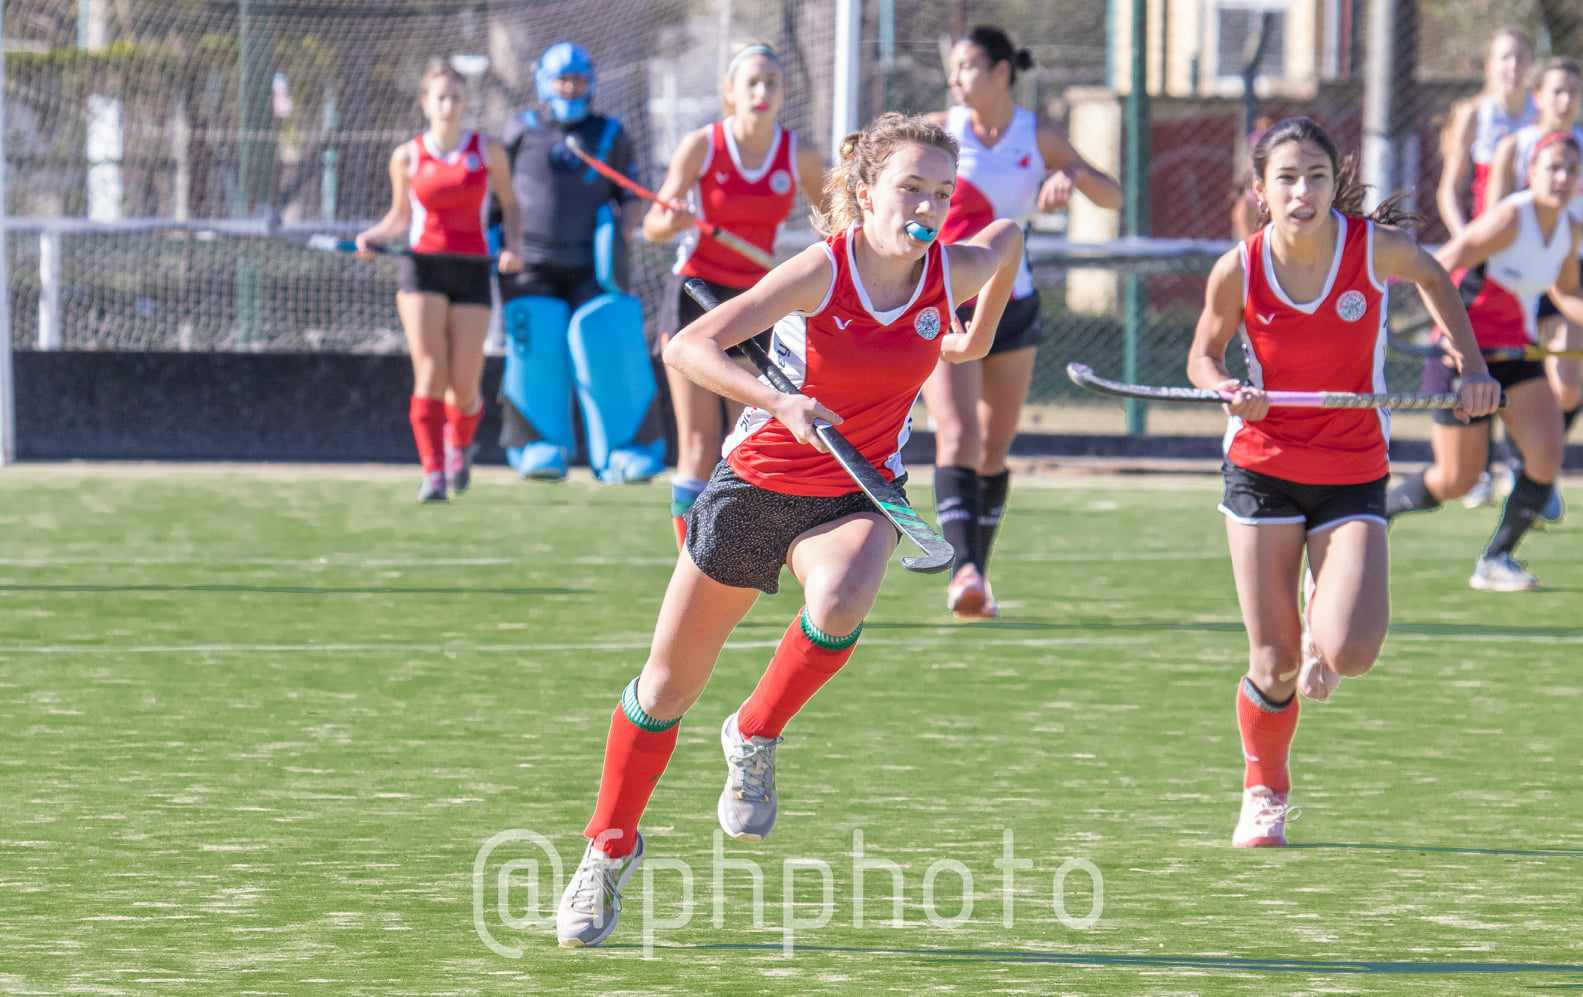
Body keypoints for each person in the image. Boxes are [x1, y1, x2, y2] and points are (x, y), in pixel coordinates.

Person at [553, 112, 1025, 948]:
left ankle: (755, 732)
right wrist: (776, 400)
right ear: (864, 191)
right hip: (758, 484)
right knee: (664, 690)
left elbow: (1010, 236)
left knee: (843, 596)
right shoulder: (817, 270)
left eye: (940, 191)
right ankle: (608, 847)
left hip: (856, 490)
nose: (927, 205)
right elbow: (688, 345)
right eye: (910, 186)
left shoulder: (948, 266)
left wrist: (969, 338)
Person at [1186, 117, 1500, 848]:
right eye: (1287, 178)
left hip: (1352, 470)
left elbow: (1433, 279)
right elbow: (1201, 357)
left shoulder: (1372, 251)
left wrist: (1471, 365)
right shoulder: (1237, 267)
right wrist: (1227, 386)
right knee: (1274, 661)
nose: (1303, 191)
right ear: (1260, 191)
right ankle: (1263, 789)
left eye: (1317, 177)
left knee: (1351, 652)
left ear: (1335, 182)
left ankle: (1322, 614)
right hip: (1261, 468)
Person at [923, 25, 1122, 619]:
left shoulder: (1039, 136)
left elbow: (1113, 196)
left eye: (966, 67)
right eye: (953, 69)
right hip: (944, 304)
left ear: (1002, 72)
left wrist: (1075, 177)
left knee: (994, 450)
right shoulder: (940, 132)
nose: (955, 79)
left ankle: (975, 576)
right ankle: (961, 571)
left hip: (1014, 302)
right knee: (957, 434)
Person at [643, 42, 827, 547]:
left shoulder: (799, 155)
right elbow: (654, 225)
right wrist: (673, 217)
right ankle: (691, 557)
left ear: (783, 93)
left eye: (771, 82)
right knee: (699, 441)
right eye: (751, 82)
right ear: (730, 93)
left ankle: (737, 543)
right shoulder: (702, 146)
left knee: (746, 437)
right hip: (696, 295)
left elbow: (835, 223)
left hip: (757, 302)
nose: (761, 91)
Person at [1387, 132, 1583, 590]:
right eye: (1552, 167)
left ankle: (1495, 561)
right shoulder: (1510, 218)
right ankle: (1378, 512)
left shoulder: (1571, 229)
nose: (1562, 177)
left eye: (1571, 170)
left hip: (1515, 351)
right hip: (1463, 357)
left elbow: (1567, 292)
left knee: (1546, 453)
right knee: (1457, 480)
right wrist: (1457, 345)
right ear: (1531, 173)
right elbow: (1435, 269)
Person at [494, 41, 665, 484]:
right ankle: (536, 444)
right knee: (538, 351)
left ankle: (627, 449)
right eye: (562, 79)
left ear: (590, 83)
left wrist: (626, 231)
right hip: (530, 267)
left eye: (578, 79)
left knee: (607, 343)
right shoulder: (520, 129)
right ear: (544, 82)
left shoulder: (610, 133)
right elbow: (496, 197)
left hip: (594, 269)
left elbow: (630, 194)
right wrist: (500, 244)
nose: (570, 87)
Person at [355, 58, 523, 502]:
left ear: (465, 101)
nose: (448, 105)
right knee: (429, 371)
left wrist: (511, 247)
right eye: (440, 97)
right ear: (425, 102)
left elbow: (511, 206)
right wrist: (373, 236)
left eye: (456, 97)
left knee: (464, 384)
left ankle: (460, 447)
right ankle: (433, 473)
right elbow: (399, 217)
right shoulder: (407, 156)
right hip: (422, 268)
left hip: (471, 269)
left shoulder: (489, 151)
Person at [1435, 29, 1535, 509]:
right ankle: (1474, 463)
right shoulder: (1477, 113)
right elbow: (1448, 189)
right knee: (1467, 337)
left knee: (1528, 346)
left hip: (1524, 253)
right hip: (1480, 249)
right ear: (1490, 65)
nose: (1512, 65)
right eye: (1504, 57)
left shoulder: (1541, 115)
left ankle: (1524, 460)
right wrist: (1465, 240)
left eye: (1520, 57)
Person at [1486, 56, 1583, 523]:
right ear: (1538, 95)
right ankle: (1524, 461)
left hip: (1567, 274)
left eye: (1574, 92)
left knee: (1567, 387)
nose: (1566, 100)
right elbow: (1493, 216)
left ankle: (1535, 464)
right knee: (1519, 372)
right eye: (1557, 90)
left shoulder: (1580, 148)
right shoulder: (1518, 145)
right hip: (1518, 278)